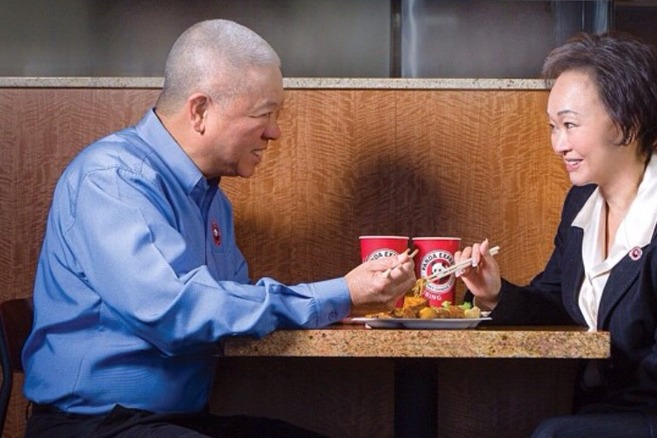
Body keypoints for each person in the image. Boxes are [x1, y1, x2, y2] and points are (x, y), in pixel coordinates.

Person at [22, 19, 416, 438]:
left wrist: (346, 303)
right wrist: (339, 295)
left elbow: (230, 310)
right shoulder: (112, 178)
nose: (275, 132)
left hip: (175, 422)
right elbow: (177, 311)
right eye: (264, 114)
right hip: (96, 427)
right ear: (199, 111)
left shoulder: (213, 202)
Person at [456, 32, 657, 438]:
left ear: (629, 122)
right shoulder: (581, 205)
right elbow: (556, 305)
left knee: (555, 434)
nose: (558, 144)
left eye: (570, 125)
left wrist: (592, 377)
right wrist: (494, 294)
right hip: (621, 411)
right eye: (553, 127)